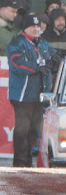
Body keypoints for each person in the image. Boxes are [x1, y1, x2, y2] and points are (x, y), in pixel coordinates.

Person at [6, 14, 57, 167]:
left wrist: (55, 63)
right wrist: (37, 68)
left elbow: (54, 58)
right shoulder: (17, 43)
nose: (36, 29)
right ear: (25, 28)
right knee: (22, 131)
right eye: (32, 26)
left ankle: (29, 163)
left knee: (34, 131)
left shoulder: (43, 43)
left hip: (39, 96)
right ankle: (20, 164)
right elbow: (16, 64)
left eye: (38, 26)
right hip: (22, 96)